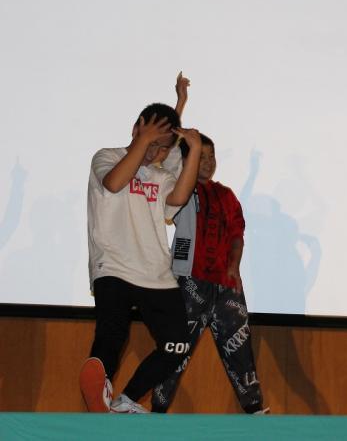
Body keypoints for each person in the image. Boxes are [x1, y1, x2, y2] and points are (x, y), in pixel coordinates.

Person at [79, 103, 202, 413]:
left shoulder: (160, 176)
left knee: (177, 345)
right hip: (113, 266)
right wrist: (144, 140)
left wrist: (194, 151)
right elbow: (114, 183)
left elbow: (178, 198)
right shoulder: (107, 157)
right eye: (151, 143)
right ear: (136, 129)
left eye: (162, 148)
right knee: (112, 333)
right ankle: (100, 390)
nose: (154, 153)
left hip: (155, 273)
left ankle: (127, 399)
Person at [150, 133, 268, 414]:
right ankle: (157, 410)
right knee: (176, 348)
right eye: (200, 156)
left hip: (226, 286)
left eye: (211, 156)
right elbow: (169, 162)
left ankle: (254, 408)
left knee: (240, 349)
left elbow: (237, 234)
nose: (207, 162)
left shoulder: (226, 195)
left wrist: (234, 265)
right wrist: (178, 117)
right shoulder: (182, 190)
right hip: (189, 282)